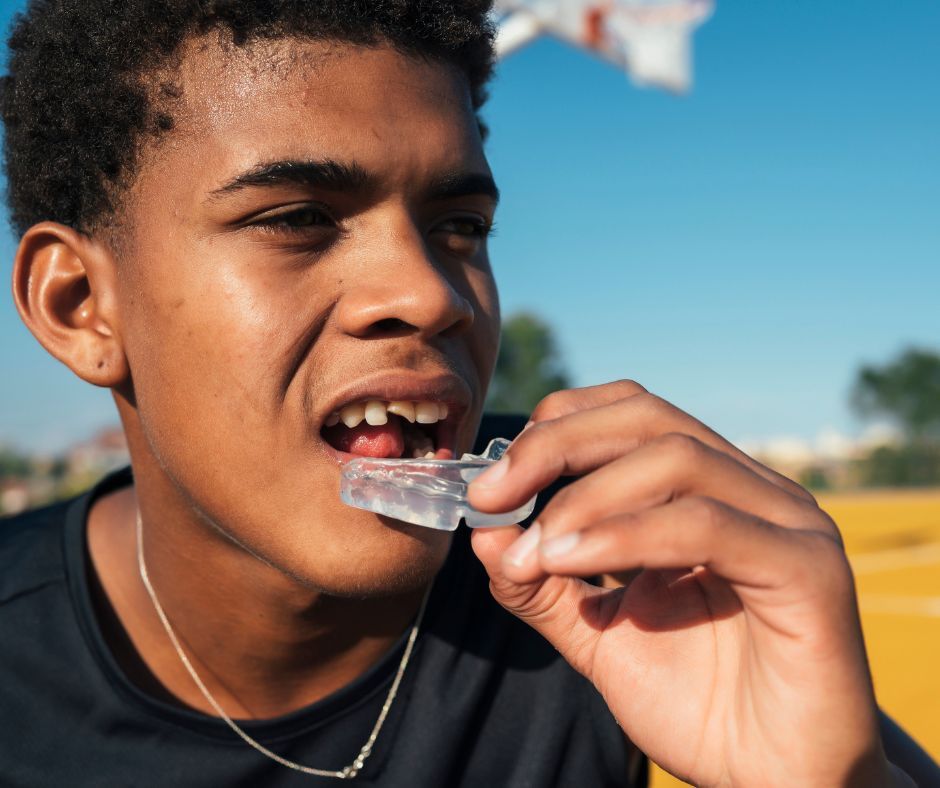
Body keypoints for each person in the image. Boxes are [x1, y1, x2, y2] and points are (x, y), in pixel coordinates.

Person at [1, 1, 937, 786]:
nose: (430, 293)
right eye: (297, 218)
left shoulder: (615, 559)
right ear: (80, 306)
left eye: (460, 225)